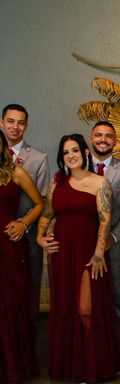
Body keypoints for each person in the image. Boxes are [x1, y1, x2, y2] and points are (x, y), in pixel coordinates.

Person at [37, 134, 120, 382]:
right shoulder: (57, 182)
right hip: (63, 252)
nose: (71, 155)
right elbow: (47, 214)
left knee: (87, 309)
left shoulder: (100, 183)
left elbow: (105, 221)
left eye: (75, 150)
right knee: (65, 308)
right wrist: (40, 238)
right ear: (62, 157)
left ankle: (92, 363)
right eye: (65, 152)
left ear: (85, 152)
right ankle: (71, 366)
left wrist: (98, 252)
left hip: (88, 251)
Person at [88, 121, 120, 366]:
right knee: (89, 294)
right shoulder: (78, 166)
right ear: (91, 138)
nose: (103, 139)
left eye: (108, 136)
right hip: (86, 240)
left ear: (115, 141)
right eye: (98, 135)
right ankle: (93, 342)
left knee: (119, 293)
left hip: (116, 242)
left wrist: (113, 237)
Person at [0, 130, 43, 384]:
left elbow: (40, 203)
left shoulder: (15, 172)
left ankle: (14, 366)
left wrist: (23, 223)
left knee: (12, 303)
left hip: (8, 244)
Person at [0, 104, 50, 318]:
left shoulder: (38, 158)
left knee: (27, 295)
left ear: (26, 126)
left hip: (26, 236)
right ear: (2, 122)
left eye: (21, 123)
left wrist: (24, 224)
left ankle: (27, 343)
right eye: (10, 121)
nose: (15, 126)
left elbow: (44, 200)